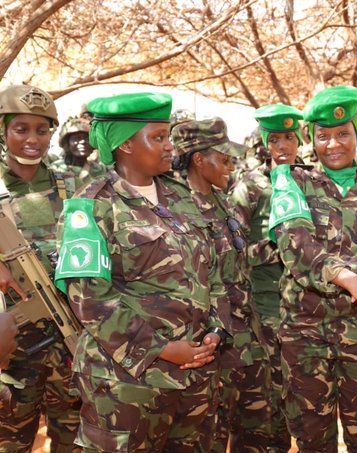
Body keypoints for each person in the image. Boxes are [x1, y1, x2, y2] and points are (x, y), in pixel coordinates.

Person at [54, 92, 229, 451]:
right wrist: (162, 349)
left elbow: (210, 270)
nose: (170, 146)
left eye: (169, 136)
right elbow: (90, 299)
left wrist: (215, 328)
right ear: (126, 144)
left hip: (194, 378)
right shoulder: (91, 206)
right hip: (127, 384)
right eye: (158, 137)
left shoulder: (181, 197)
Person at [268, 85, 357, 452]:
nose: (333, 144)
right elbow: (296, 246)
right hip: (305, 335)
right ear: (312, 140)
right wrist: (349, 281)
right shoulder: (292, 182)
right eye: (323, 136)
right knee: (313, 440)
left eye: (343, 134)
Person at [171, 117, 272, 452]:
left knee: (257, 431)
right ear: (199, 159)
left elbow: (237, 262)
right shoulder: (177, 209)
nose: (231, 166)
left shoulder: (222, 201)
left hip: (247, 336)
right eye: (224, 159)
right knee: (210, 435)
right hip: (213, 342)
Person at [0, 84, 81, 453]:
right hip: (11, 350)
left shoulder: (74, 186)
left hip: (69, 340)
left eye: (42, 130)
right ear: (3, 131)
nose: (32, 139)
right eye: (21, 129)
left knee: (74, 442)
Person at [228, 103, 306, 452]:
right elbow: (231, 251)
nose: (283, 146)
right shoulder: (251, 186)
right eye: (275, 139)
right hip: (265, 308)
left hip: (308, 309)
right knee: (267, 400)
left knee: (305, 400)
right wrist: (277, 249)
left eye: (289, 137)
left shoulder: (312, 181)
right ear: (265, 144)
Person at [51, 116, 107, 187]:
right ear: (67, 143)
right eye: (77, 138)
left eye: (87, 138)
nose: (83, 141)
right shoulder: (57, 168)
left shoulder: (98, 169)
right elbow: (59, 192)